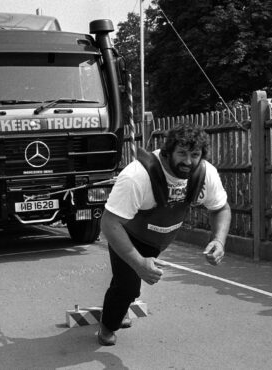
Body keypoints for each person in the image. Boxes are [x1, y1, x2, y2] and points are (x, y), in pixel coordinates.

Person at [98, 124, 231, 346]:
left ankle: (120, 305)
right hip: (126, 234)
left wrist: (219, 240)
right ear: (168, 151)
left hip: (158, 240)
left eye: (195, 155)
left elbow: (221, 209)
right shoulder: (136, 176)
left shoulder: (205, 174)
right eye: (182, 154)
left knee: (130, 283)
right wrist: (139, 262)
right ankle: (106, 327)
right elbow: (109, 223)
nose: (188, 162)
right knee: (128, 286)